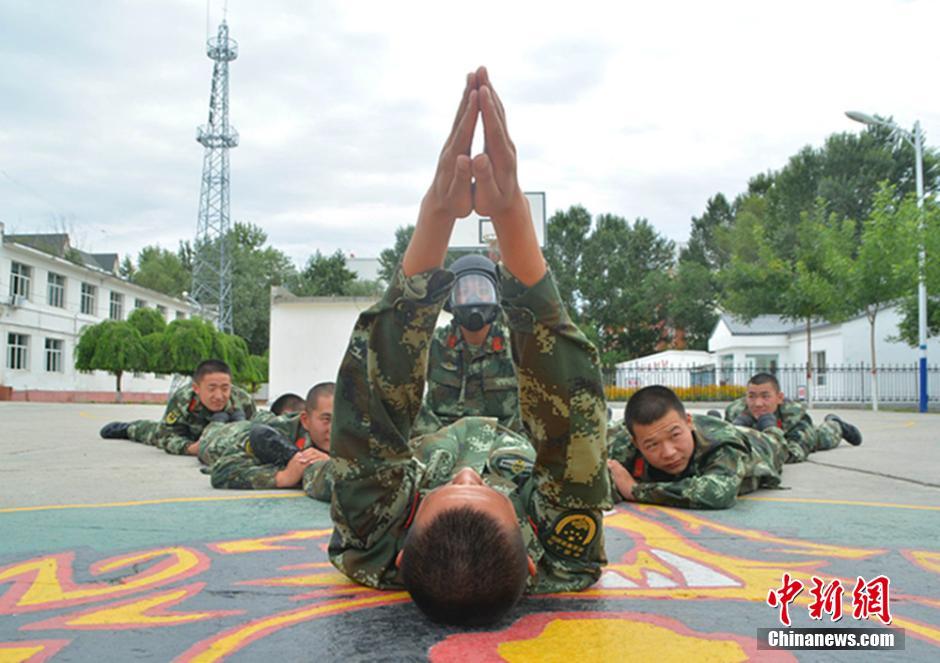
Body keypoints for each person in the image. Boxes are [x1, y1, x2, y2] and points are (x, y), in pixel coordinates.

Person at [328, 67, 609, 627]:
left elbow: (371, 405)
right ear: (532, 560)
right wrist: (513, 225)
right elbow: (572, 415)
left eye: (446, 490)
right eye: (483, 491)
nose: (465, 473)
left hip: (425, 439)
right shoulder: (564, 553)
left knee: (327, 470)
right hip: (508, 435)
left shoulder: (371, 540)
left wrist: (434, 217)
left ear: (402, 551)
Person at [607, 385, 787, 509]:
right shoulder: (626, 440)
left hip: (760, 445)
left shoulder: (724, 443)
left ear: (689, 421)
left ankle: (767, 423)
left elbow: (718, 493)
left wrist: (635, 490)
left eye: (675, 436)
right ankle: (743, 420)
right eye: (653, 445)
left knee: (777, 439)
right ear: (636, 443)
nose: (669, 452)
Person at [412, 253, 523, 437]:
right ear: (452, 299)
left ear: (496, 295)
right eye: (465, 292)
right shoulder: (434, 345)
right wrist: (438, 439)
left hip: (502, 446)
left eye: (482, 290)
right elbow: (406, 394)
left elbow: (531, 406)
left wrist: (501, 443)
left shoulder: (515, 347)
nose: (474, 298)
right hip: (441, 445)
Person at [99, 359, 257, 456]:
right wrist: (189, 448)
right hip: (189, 435)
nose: (219, 395)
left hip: (222, 439)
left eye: (225, 388)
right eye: (211, 388)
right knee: (153, 433)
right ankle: (128, 428)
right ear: (196, 388)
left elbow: (256, 431)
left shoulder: (242, 400)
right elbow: (165, 436)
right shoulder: (183, 399)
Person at [204, 383, 334, 500]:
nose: (334, 429)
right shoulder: (276, 433)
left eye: (342, 420)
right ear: (306, 420)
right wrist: (282, 477)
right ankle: (220, 421)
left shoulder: (350, 432)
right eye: (326, 419)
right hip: (224, 438)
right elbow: (222, 472)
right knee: (215, 432)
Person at [724, 372, 862, 463]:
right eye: (751, 396)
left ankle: (836, 423)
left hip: (796, 436)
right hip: (760, 440)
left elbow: (794, 454)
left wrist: (769, 428)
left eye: (765, 396)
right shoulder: (735, 411)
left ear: (779, 398)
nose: (758, 403)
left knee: (824, 437)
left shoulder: (794, 415)